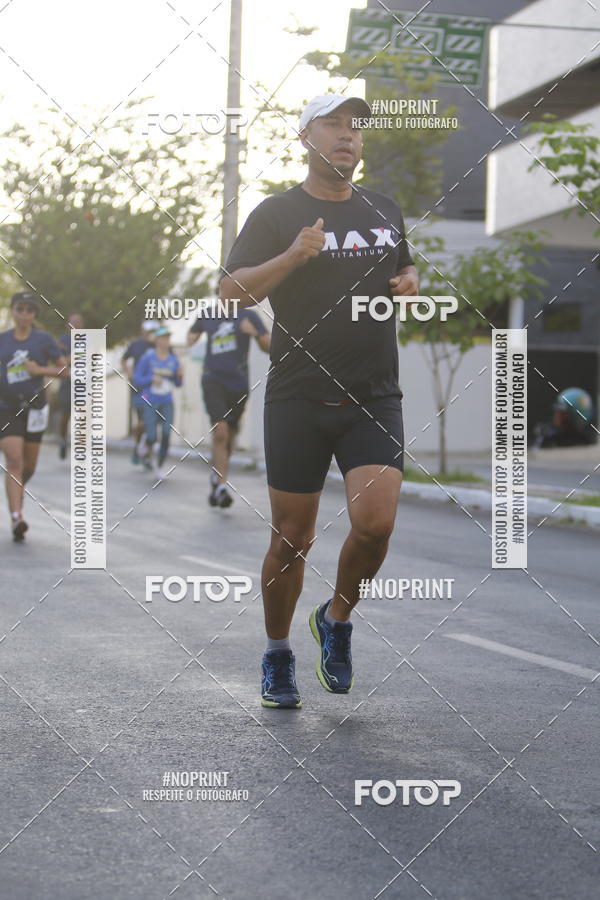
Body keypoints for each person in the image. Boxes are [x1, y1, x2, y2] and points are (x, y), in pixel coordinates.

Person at [219, 94, 419, 708]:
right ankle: (278, 655)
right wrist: (293, 255)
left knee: (376, 524)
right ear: (305, 137)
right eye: (333, 124)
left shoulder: (384, 210)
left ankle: (336, 619)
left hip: (372, 397)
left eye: (356, 126)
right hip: (298, 397)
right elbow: (230, 293)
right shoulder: (278, 212)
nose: (348, 135)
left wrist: (411, 283)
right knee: (292, 539)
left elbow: (403, 275)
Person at [0, 291, 69, 541]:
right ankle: (17, 517)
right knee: (14, 460)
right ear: (13, 311)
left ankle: (15, 490)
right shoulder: (3, 340)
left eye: (30, 310)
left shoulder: (43, 340)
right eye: (20, 309)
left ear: (35, 314)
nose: (25, 314)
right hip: (6, 407)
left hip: (35, 407)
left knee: (29, 466)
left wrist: (39, 369)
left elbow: (63, 369)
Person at [187, 302, 270, 508]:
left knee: (231, 435)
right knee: (220, 431)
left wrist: (255, 334)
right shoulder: (208, 314)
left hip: (238, 384)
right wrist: (193, 336)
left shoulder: (249, 316)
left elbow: (269, 346)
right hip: (212, 379)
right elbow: (191, 337)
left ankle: (217, 478)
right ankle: (222, 486)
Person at [133, 325, 182, 479]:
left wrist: (180, 376)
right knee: (153, 436)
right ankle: (145, 443)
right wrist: (151, 379)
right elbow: (137, 379)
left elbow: (178, 384)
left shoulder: (174, 360)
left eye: (168, 338)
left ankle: (159, 467)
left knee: (167, 432)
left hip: (167, 400)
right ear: (157, 340)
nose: (166, 341)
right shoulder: (148, 358)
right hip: (150, 400)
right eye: (163, 338)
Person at [121, 320, 159, 463]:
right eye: (148, 331)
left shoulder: (159, 345)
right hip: (142, 389)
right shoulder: (136, 345)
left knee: (153, 422)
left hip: (158, 391)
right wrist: (129, 372)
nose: (151, 334)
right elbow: (124, 360)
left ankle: (147, 453)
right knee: (143, 421)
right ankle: (138, 448)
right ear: (143, 330)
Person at [57, 312, 84, 459]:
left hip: (83, 384)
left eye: (79, 322)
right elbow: (60, 361)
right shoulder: (63, 341)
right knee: (65, 416)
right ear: (68, 325)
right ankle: (63, 440)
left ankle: (80, 448)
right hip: (67, 383)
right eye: (74, 322)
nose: (77, 324)